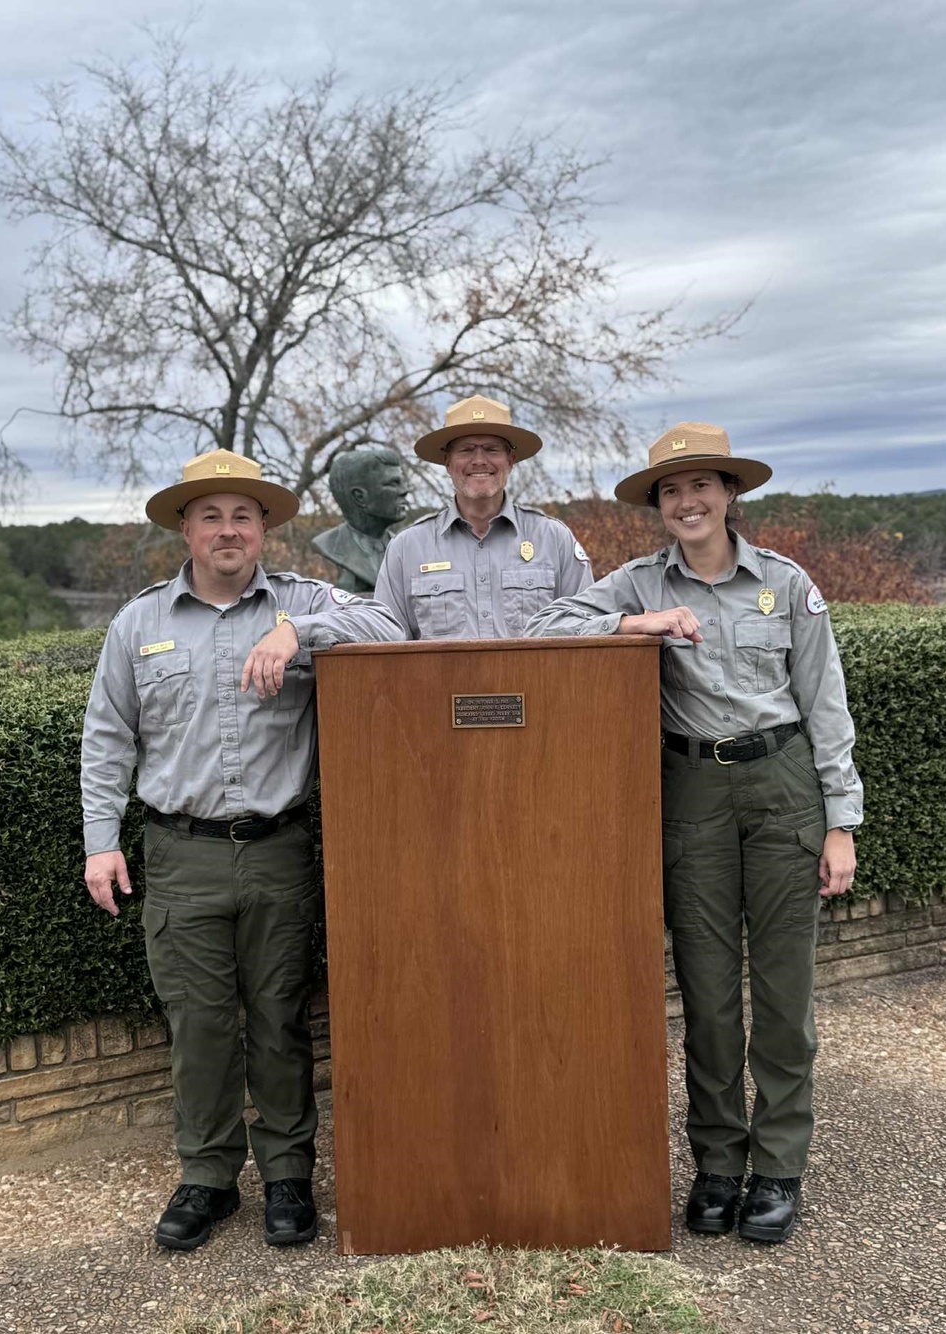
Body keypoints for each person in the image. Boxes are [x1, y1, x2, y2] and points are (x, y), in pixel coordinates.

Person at [525, 421, 862, 1244]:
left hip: (782, 788)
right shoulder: (637, 585)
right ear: (659, 506)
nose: (688, 501)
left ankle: (778, 1167)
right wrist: (630, 628)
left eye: (702, 485)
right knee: (708, 994)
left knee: (781, 996)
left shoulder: (785, 584)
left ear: (730, 494)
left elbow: (826, 706)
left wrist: (840, 823)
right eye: (671, 491)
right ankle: (717, 1163)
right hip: (691, 792)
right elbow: (540, 633)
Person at [81, 448, 405, 1252]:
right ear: (185, 529)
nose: (229, 530)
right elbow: (107, 737)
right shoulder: (140, 622)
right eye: (212, 516)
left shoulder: (303, 599)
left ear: (264, 530)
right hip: (180, 852)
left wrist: (296, 631)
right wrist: (100, 843)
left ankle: (289, 1176)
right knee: (198, 1025)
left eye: (244, 516)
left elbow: (389, 622)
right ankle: (208, 1178)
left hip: (277, 850)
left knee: (280, 1020)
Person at [373, 394, 594, 637]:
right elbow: (385, 643)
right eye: (466, 450)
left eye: (491, 449)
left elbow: (586, 630)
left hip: (535, 677)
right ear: (447, 462)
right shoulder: (406, 548)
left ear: (511, 460)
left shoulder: (554, 539)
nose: (479, 460)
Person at [311, 446, 409, 593]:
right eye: (393, 483)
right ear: (360, 497)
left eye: (402, 482)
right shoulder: (326, 547)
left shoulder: (405, 548)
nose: (405, 491)